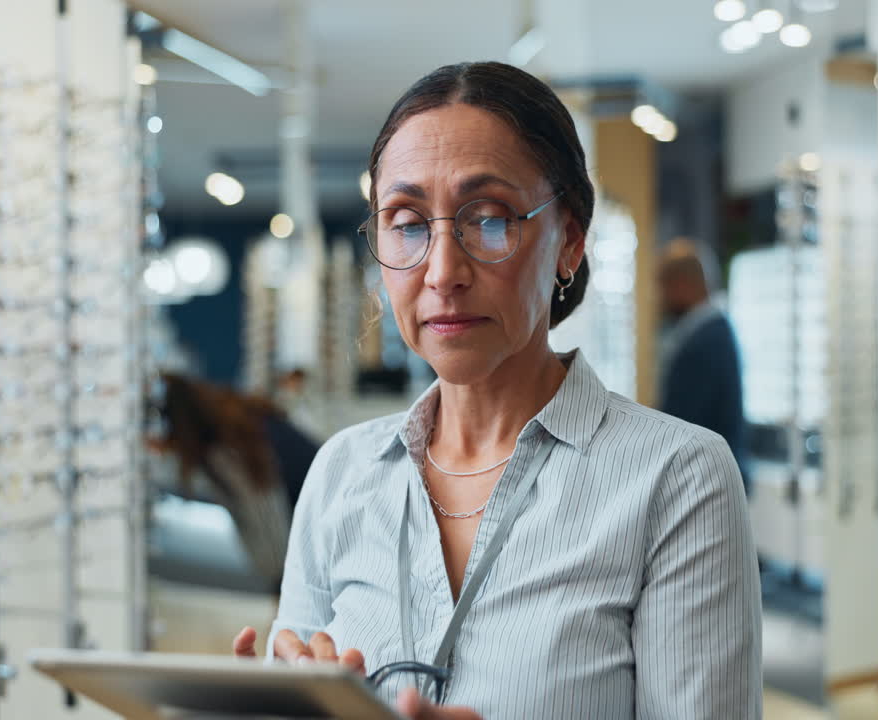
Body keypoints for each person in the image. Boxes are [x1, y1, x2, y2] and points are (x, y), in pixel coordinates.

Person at [233, 61, 761, 719]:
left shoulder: (675, 479)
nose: (444, 271)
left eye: (488, 219)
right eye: (408, 221)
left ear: (568, 240)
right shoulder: (341, 472)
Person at [146, 372, 319, 586]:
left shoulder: (229, 449)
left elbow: (274, 548)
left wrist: (281, 592)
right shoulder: (237, 419)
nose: (155, 447)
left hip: (330, 546)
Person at [657, 241, 751, 492]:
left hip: (710, 483)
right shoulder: (711, 331)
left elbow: (683, 422)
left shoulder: (705, 340)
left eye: (664, 286)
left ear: (682, 284)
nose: (661, 297)